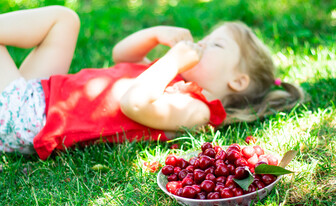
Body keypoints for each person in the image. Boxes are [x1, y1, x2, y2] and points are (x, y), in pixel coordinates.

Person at [0, 6, 303, 160]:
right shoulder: (172, 79)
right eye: (206, 39)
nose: (202, 44)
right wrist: (157, 34)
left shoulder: (198, 110)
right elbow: (121, 55)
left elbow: (133, 103)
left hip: (35, 121)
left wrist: (171, 61)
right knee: (65, 20)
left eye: (216, 46)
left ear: (237, 81)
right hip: (42, 95)